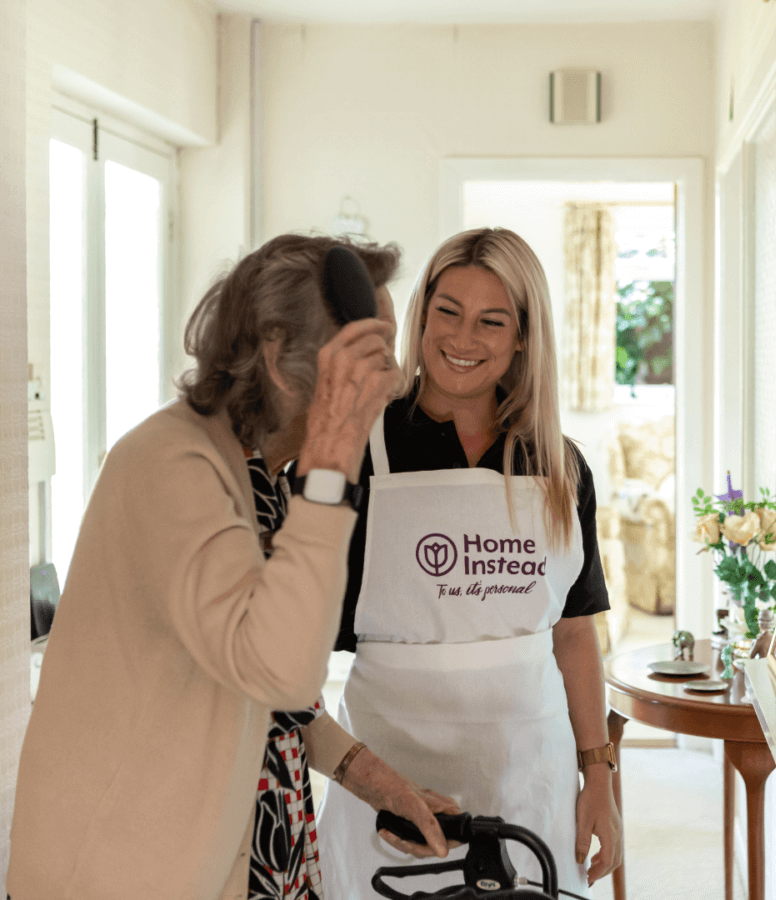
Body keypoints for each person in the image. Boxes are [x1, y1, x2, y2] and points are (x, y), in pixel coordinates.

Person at [7, 234, 457, 900]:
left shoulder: (262, 477)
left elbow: (276, 697)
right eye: (365, 360)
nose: (389, 380)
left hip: (222, 857)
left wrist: (372, 777)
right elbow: (278, 662)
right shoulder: (170, 465)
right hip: (114, 874)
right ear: (280, 359)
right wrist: (333, 462)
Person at [316, 227, 624, 899]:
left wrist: (597, 776)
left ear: (522, 337)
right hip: (392, 771)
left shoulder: (560, 466)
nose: (463, 337)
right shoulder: (360, 449)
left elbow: (573, 633)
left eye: (492, 321)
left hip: (531, 770)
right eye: (447, 310)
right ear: (422, 314)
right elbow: (299, 637)